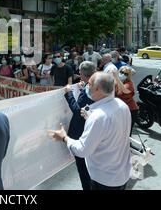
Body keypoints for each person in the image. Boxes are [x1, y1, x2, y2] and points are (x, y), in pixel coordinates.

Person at [48, 72, 132, 190]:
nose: (87, 86)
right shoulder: (122, 105)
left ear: (97, 88)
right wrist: (89, 118)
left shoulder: (98, 117)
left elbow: (82, 150)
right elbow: (111, 130)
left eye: (89, 84)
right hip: (121, 174)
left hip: (104, 180)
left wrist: (64, 137)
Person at [61, 61, 96, 190]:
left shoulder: (89, 89)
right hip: (92, 132)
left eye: (80, 72)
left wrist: (68, 93)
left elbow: (78, 111)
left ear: (82, 74)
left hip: (82, 132)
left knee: (84, 169)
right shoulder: (95, 85)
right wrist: (83, 87)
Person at [113, 67, 139, 135]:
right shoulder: (116, 82)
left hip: (130, 110)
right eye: (121, 72)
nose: (122, 74)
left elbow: (124, 90)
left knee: (126, 132)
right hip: (120, 110)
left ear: (128, 75)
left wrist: (116, 78)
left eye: (125, 73)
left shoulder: (129, 84)